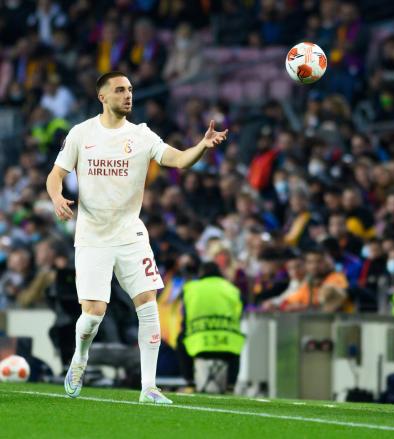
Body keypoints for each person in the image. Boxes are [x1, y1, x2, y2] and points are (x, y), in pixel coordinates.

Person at [45, 71, 228, 404]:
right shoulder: (81, 133)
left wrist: (201, 145)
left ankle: (149, 388)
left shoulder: (142, 135)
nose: (127, 95)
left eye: (129, 89)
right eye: (119, 90)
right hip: (92, 236)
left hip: (131, 234)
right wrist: (57, 197)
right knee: (94, 313)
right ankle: (80, 357)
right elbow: (55, 175)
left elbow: (178, 160)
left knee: (147, 303)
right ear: (103, 96)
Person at [178, 262, 245, 394]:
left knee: (181, 340)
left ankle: (190, 383)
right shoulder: (232, 289)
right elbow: (239, 314)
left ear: (201, 273)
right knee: (237, 342)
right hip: (226, 345)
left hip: (198, 344)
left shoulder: (190, 288)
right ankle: (230, 385)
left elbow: (184, 315)